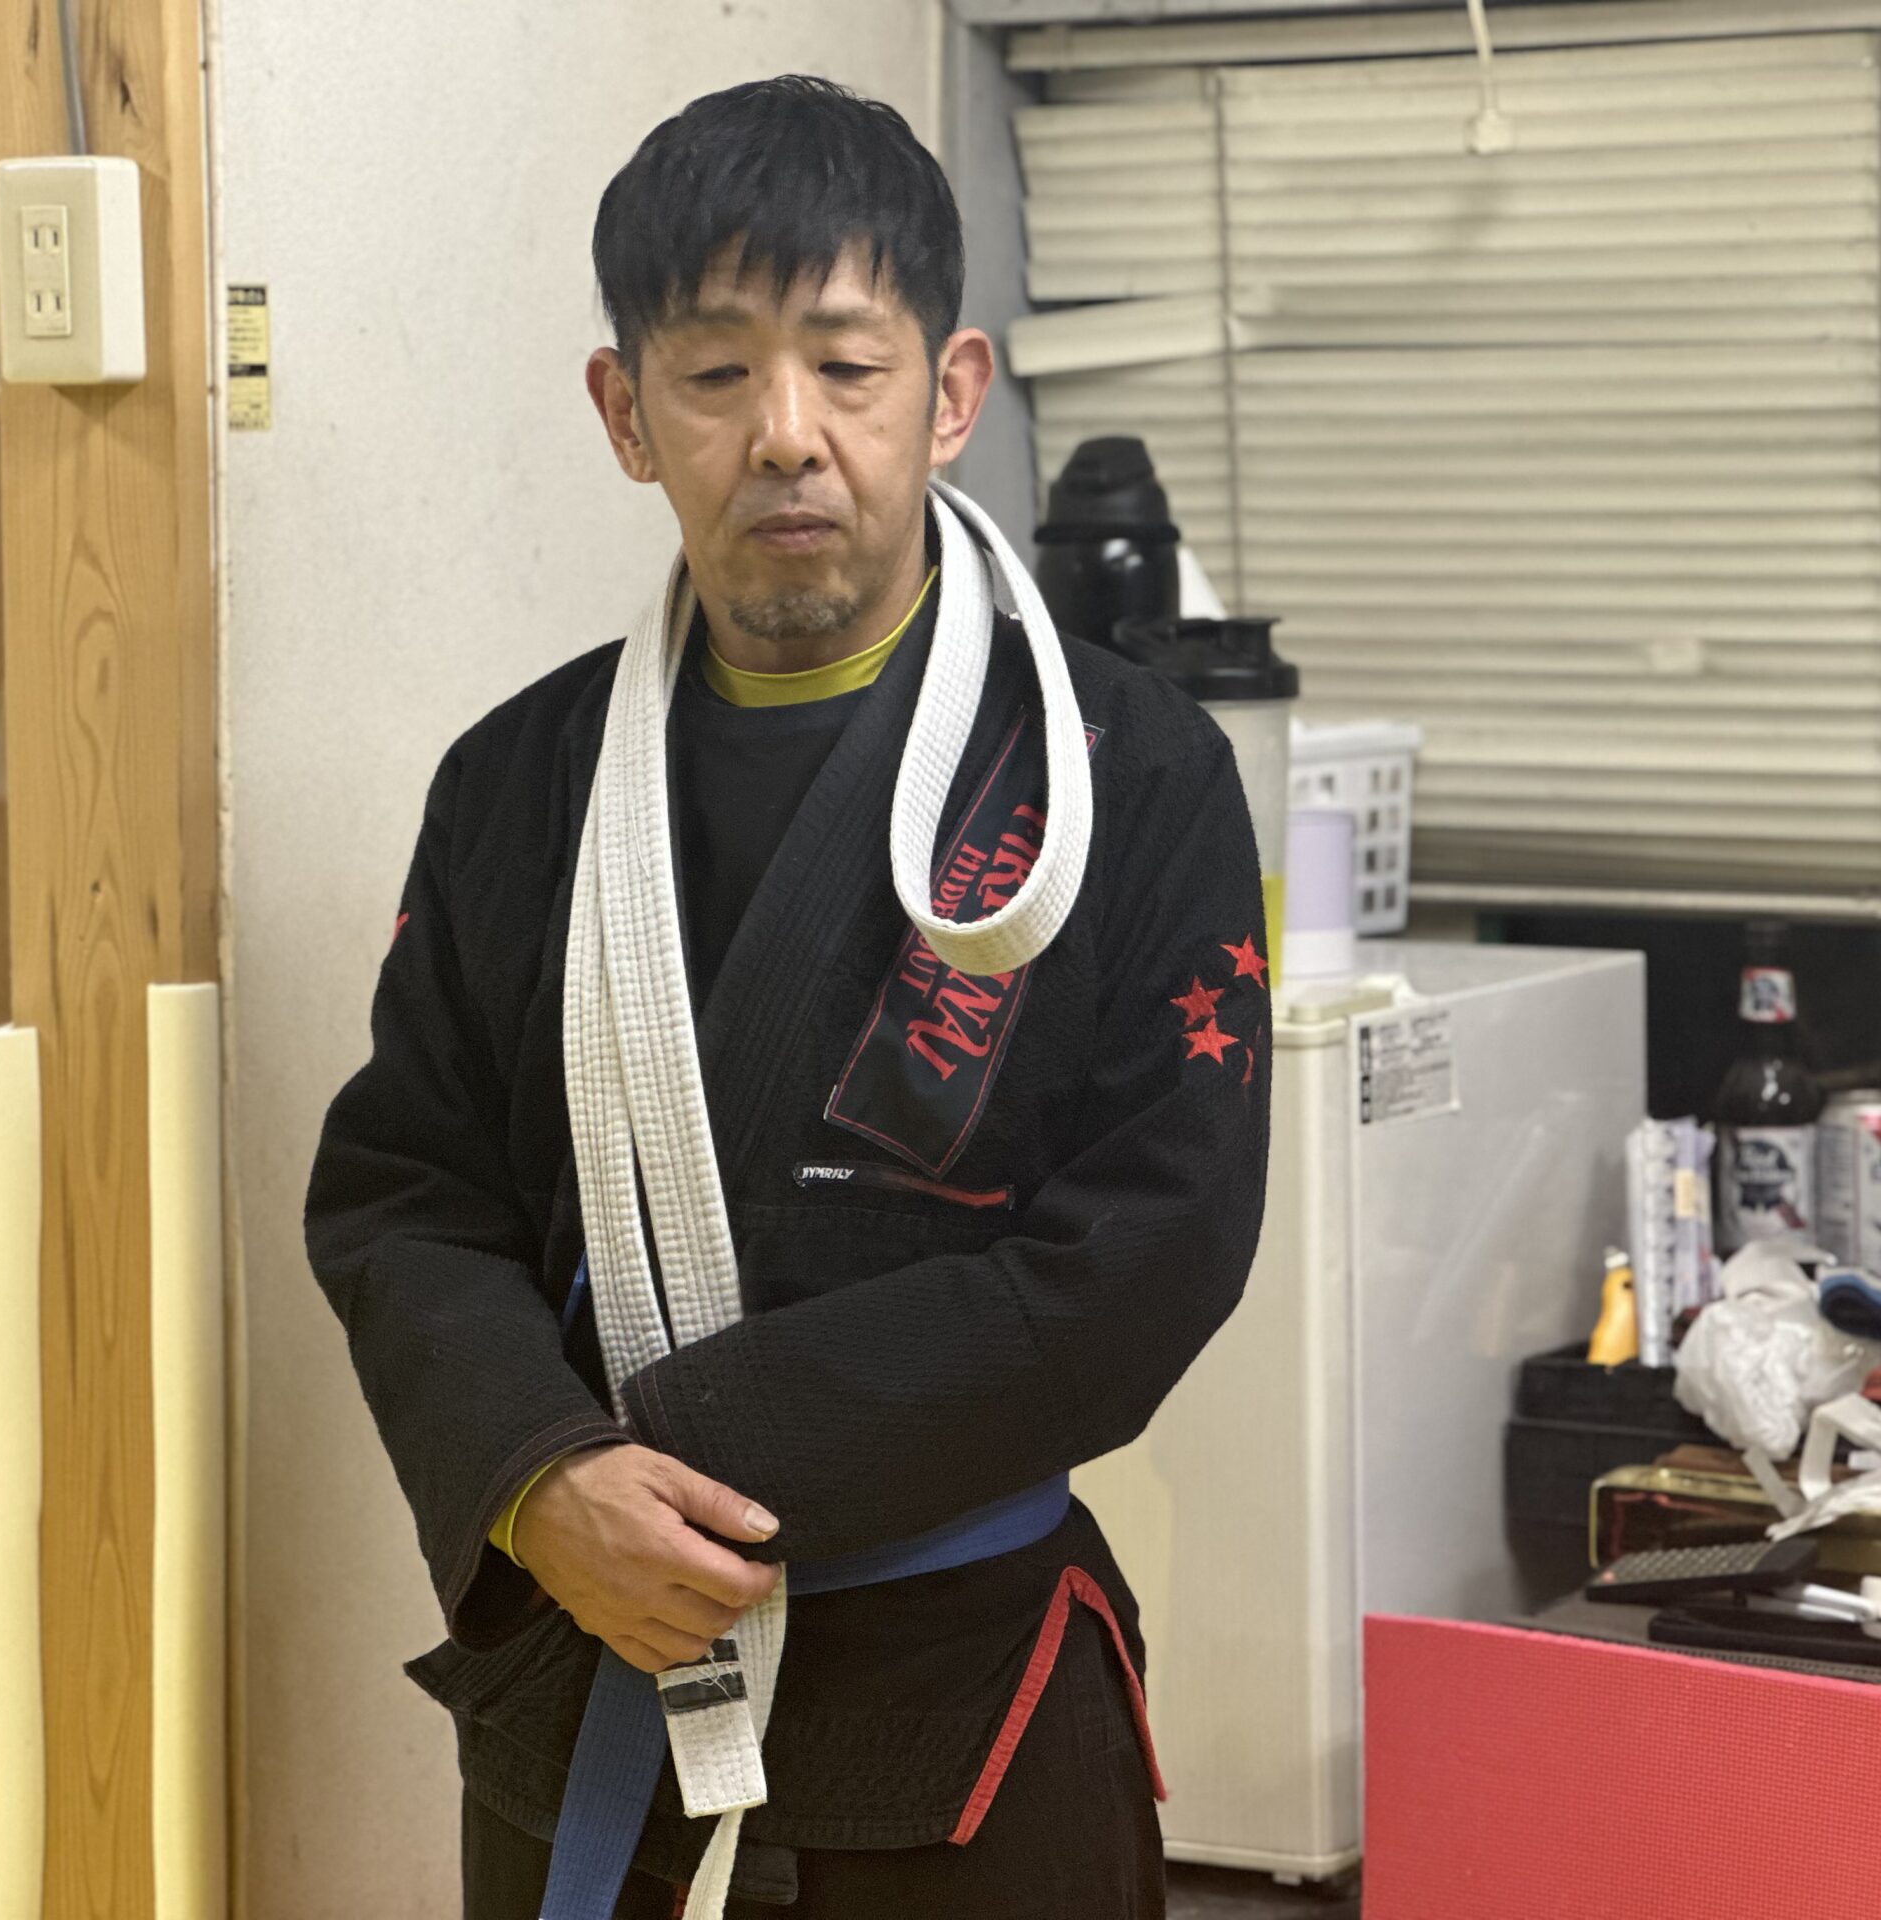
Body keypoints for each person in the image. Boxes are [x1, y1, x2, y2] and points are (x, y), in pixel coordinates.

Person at [306, 75, 1267, 1919]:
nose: (787, 436)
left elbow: (1151, 1249)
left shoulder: (1126, 775)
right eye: (716, 372)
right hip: (590, 1663)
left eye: (846, 364)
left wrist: (670, 1466)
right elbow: (406, 1194)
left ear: (952, 394)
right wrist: (537, 1479)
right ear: (625, 412)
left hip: (963, 1694)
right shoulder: (518, 785)